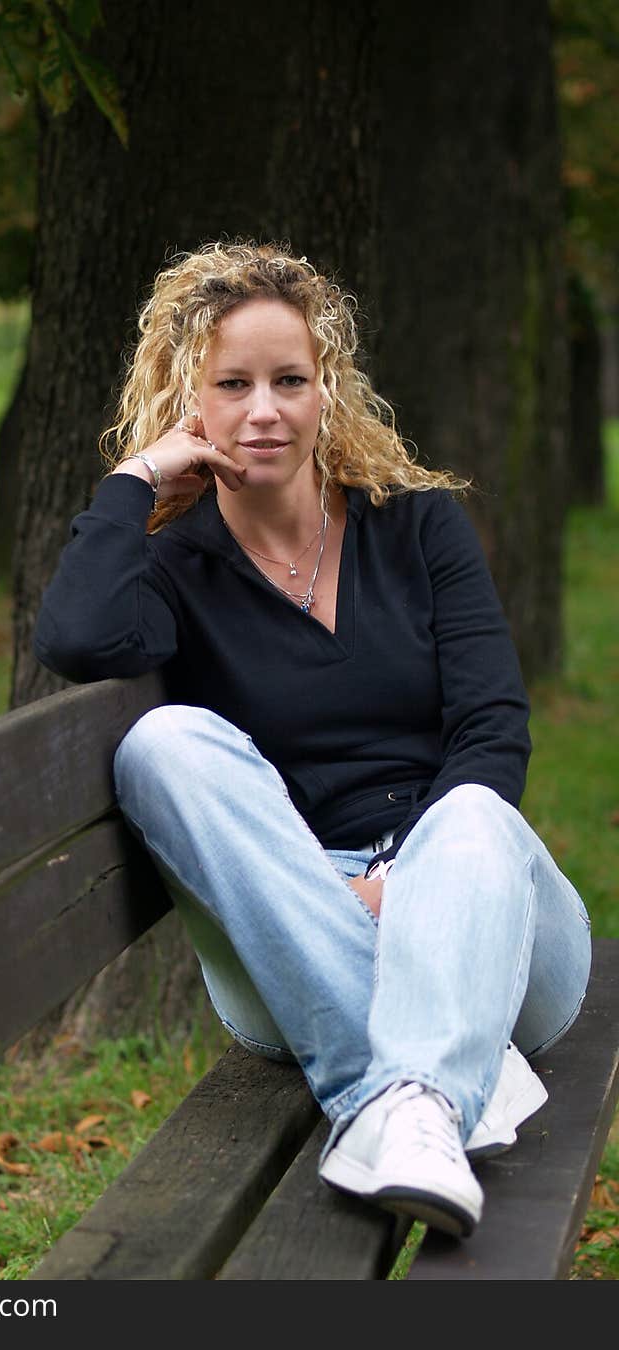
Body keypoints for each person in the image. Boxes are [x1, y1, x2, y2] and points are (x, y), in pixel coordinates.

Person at [33, 240, 592, 1238]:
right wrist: (135, 479)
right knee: (163, 742)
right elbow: (76, 636)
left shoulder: (415, 527)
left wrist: (408, 888)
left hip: (474, 906)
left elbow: (491, 730)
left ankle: (397, 1097)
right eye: (232, 384)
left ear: (326, 388)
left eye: (290, 380)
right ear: (186, 400)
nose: (264, 410)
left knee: (469, 810)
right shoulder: (174, 571)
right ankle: (435, 1093)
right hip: (296, 923)